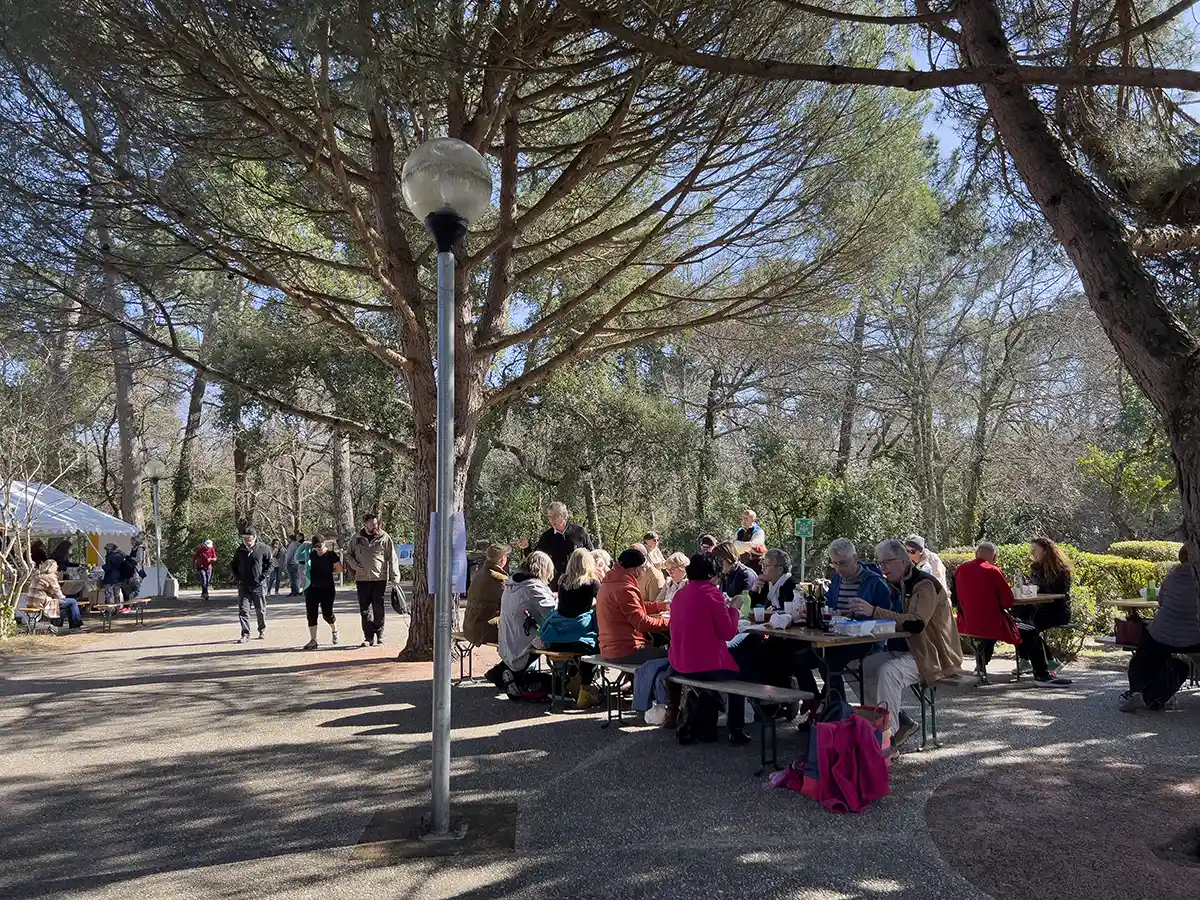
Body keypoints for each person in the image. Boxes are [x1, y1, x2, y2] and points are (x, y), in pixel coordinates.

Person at [851, 539, 963, 749]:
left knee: (889, 672)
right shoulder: (894, 584)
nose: (882, 567)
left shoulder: (924, 584)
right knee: (864, 666)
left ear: (903, 561)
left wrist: (874, 612)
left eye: (887, 562)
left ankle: (887, 741)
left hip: (932, 655)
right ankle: (881, 725)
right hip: (905, 650)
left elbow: (916, 623)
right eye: (880, 563)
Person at [669, 553, 756, 745]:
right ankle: (736, 728)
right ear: (711, 574)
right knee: (742, 673)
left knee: (731, 666)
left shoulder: (680, 594)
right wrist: (734, 608)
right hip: (704, 666)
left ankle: (706, 712)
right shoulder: (711, 593)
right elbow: (728, 633)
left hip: (680, 663)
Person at [1122, 545, 1200, 711]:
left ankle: (1136, 691)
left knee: (1143, 654)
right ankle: (1156, 696)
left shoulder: (1173, 575)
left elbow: (1162, 601)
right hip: (1195, 637)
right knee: (1178, 664)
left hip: (1163, 633)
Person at [1012, 537, 1073, 687]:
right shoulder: (1035, 568)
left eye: (1035, 550)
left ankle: (1042, 664)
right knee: (1017, 620)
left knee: (1028, 627)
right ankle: (1038, 661)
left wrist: (1039, 589)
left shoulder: (1061, 571)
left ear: (1045, 551)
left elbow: (1060, 592)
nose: (1032, 553)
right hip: (1036, 608)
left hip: (1055, 611)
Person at [953, 542, 1021, 676]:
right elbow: (1007, 602)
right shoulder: (993, 571)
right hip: (991, 623)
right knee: (1027, 629)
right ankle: (1040, 670)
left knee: (987, 633)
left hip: (966, 622)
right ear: (994, 557)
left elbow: (955, 599)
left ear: (976, 554)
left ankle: (980, 665)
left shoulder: (960, 570)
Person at [596, 547, 669, 664]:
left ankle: (634, 676)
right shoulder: (625, 589)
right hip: (626, 650)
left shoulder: (609, 583)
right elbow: (642, 623)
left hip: (608, 648)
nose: (645, 571)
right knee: (674, 658)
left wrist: (663, 606)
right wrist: (670, 622)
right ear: (636, 570)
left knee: (660, 641)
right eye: (644, 568)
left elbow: (635, 608)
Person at [498, 551, 557, 673]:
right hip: (522, 648)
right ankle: (566, 678)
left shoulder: (512, 585)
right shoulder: (533, 587)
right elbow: (553, 614)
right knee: (560, 636)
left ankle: (501, 672)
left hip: (508, 645)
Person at [345, 513, 399, 648]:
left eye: (376, 523)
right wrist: (355, 566)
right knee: (365, 609)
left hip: (379, 578)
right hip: (362, 579)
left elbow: (392, 557)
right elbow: (348, 555)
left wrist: (395, 576)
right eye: (372, 524)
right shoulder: (356, 538)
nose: (375, 526)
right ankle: (368, 637)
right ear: (365, 524)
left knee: (378, 607)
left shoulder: (384, 537)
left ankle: (380, 634)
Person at [522, 502, 594, 588]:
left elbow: (591, 554)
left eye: (555, 516)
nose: (552, 520)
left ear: (564, 516)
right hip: (555, 585)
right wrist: (527, 548)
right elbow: (535, 559)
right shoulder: (546, 537)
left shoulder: (579, 532)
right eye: (549, 517)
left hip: (578, 582)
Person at [230, 525, 274, 643]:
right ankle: (245, 634)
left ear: (254, 537)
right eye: (244, 538)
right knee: (243, 610)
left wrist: (262, 577)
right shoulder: (240, 550)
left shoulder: (264, 549)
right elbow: (233, 565)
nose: (246, 541)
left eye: (248, 538)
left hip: (258, 585)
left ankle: (262, 629)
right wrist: (238, 577)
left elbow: (270, 564)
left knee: (260, 610)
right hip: (243, 585)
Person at [463, 543, 509, 646]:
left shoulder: (479, 573)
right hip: (484, 632)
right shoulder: (498, 578)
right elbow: (510, 603)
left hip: (469, 628)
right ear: (502, 559)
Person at [302, 535, 340, 649]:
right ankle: (313, 640)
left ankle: (335, 630)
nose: (318, 548)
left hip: (327, 589)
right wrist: (303, 546)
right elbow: (296, 557)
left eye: (320, 545)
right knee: (311, 615)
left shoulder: (331, 555)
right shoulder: (310, 554)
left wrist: (330, 570)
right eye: (316, 546)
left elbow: (339, 569)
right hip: (312, 589)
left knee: (327, 614)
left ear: (324, 543)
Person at [28, 560, 83, 633]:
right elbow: (58, 594)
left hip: (31, 602)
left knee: (65, 604)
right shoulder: (50, 577)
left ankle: (58, 625)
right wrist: (64, 598)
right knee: (73, 602)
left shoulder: (36, 576)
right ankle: (75, 626)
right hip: (42, 603)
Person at [557, 547, 601, 617]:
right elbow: (604, 602)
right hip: (581, 621)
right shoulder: (592, 583)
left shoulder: (562, 580)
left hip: (560, 621)